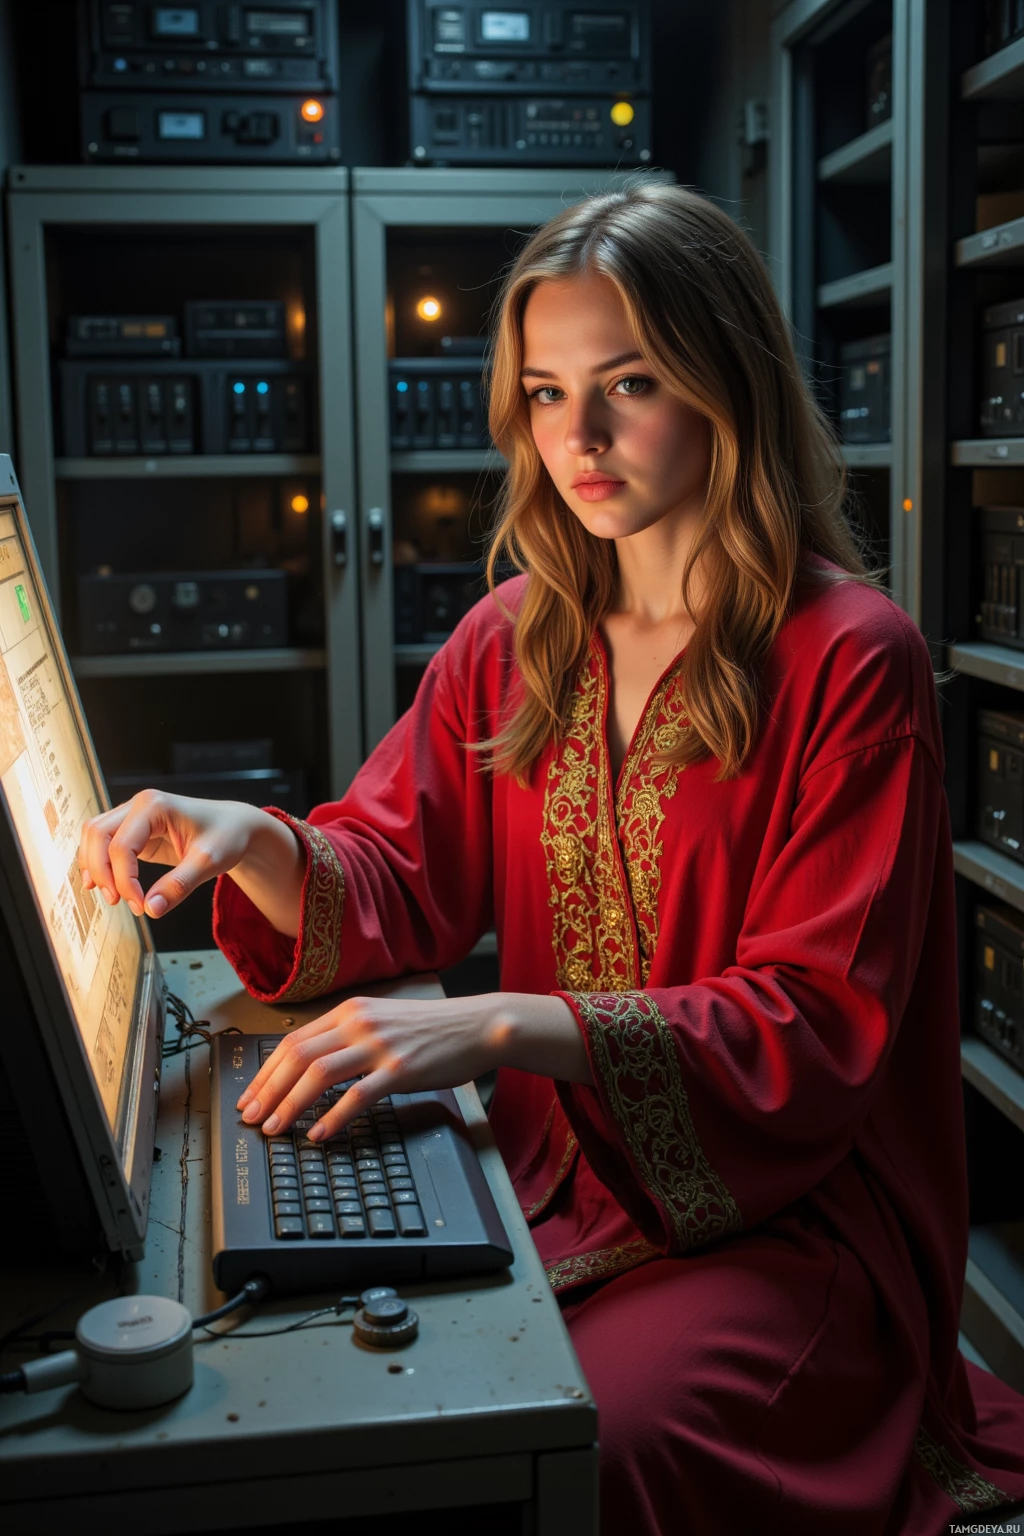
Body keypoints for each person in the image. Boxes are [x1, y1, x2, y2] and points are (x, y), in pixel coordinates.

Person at [79, 183, 1024, 1535]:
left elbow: (819, 1022)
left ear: (726, 384)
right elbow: (397, 870)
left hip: (791, 1224)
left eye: (628, 383)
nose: (576, 435)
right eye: (543, 391)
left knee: (594, 1449)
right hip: (544, 1178)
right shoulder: (516, 632)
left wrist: (499, 1026)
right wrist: (252, 840)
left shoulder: (852, 657)